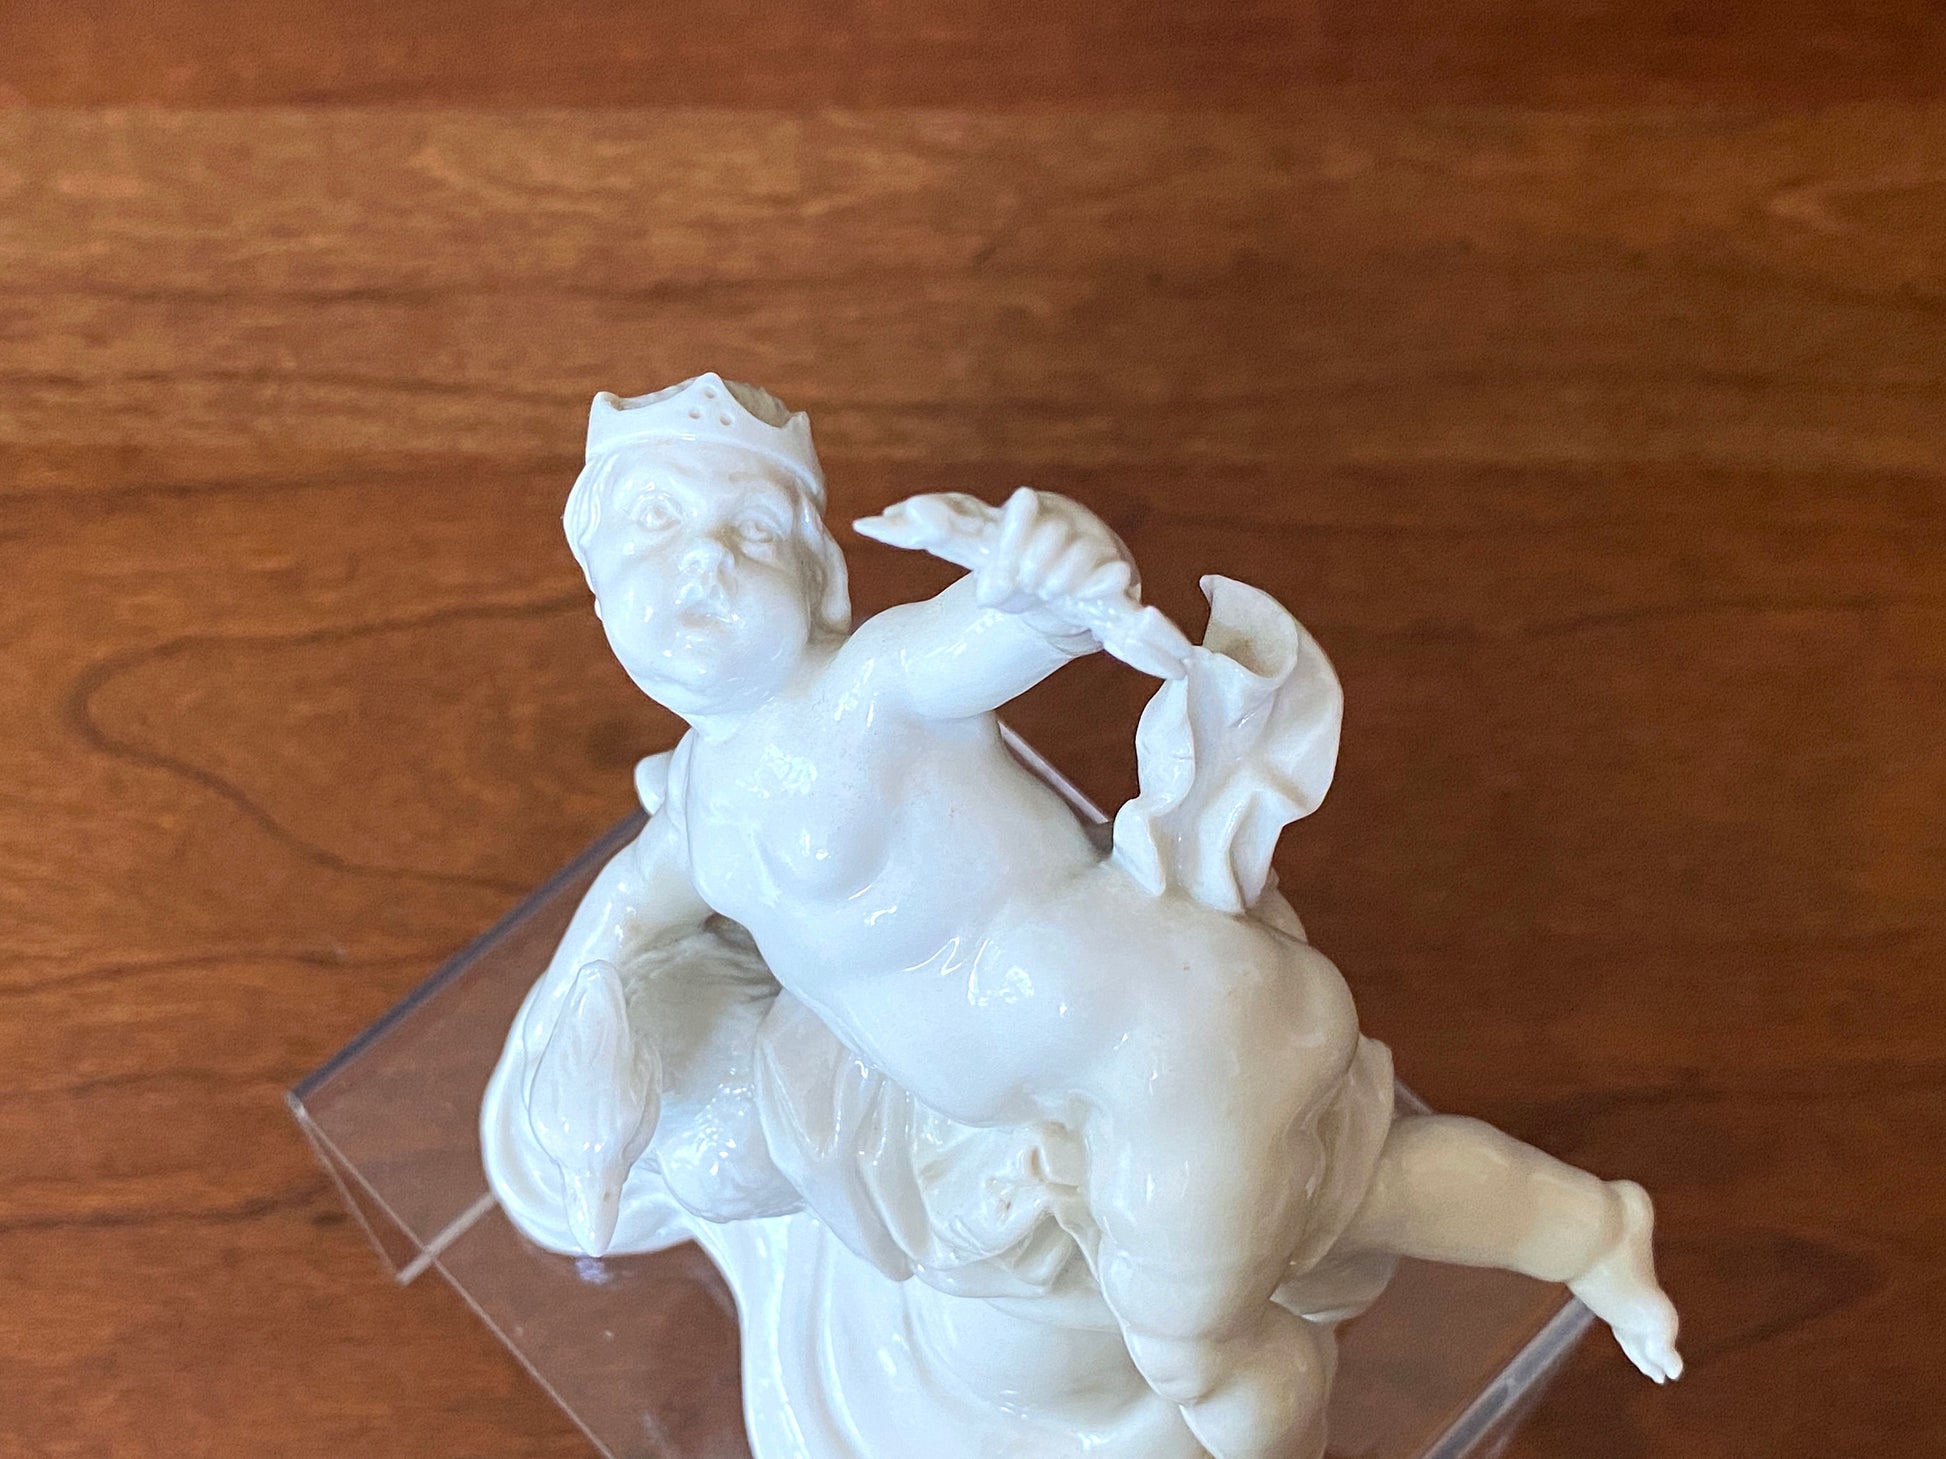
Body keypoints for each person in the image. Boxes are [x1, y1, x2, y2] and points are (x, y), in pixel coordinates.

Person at [482, 374, 1680, 1459]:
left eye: (749, 530)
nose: (701, 559)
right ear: (596, 580)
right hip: (1016, 1111)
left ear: (816, 578)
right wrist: (582, 1030)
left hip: (1157, 1040)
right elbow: (630, 908)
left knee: (1194, 1349)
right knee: (1340, 1200)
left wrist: (1047, 567)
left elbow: (1005, 628)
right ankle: (1588, 1228)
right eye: (653, 523)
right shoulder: (699, 800)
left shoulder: (869, 689)